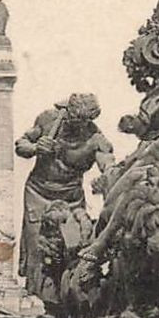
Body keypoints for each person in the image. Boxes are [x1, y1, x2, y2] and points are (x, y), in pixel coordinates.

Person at [16, 94, 113, 303]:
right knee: (39, 251)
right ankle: (49, 305)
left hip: (71, 199)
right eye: (72, 119)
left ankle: (68, 300)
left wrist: (108, 176)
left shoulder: (95, 138)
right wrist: (35, 148)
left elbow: (108, 163)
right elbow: (21, 144)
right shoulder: (47, 120)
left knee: (71, 249)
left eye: (82, 122)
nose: (75, 126)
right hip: (38, 194)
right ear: (66, 112)